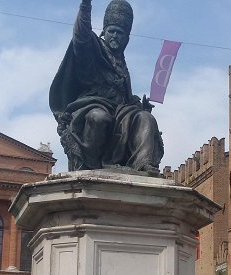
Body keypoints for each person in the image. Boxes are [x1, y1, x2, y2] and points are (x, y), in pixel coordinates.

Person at [49, 0, 164, 172]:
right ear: (103, 32)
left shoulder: (122, 65)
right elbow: (81, 37)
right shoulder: (93, 50)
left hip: (120, 111)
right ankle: (90, 167)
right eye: (112, 31)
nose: (115, 36)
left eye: (120, 33)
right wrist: (85, 7)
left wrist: (141, 107)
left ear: (127, 39)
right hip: (90, 105)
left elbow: (125, 97)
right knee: (99, 118)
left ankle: (143, 163)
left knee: (146, 119)